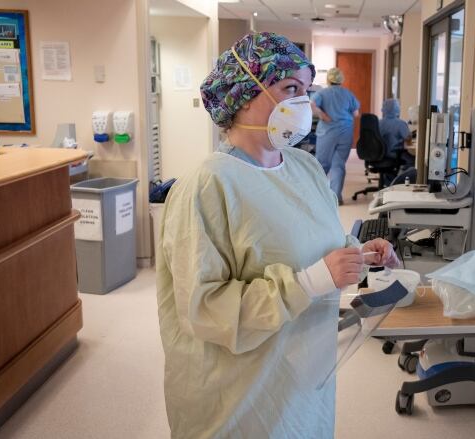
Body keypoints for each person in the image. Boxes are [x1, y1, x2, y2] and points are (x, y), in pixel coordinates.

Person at [156, 32, 400, 439]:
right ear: (242, 95)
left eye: (306, 90)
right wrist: (311, 281)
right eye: (290, 89)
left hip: (303, 377)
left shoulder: (303, 167)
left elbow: (316, 244)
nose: (303, 103)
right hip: (238, 396)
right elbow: (205, 310)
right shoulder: (206, 187)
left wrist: (359, 254)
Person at [311, 67, 360, 204]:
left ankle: (318, 196)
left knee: (322, 164)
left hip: (328, 132)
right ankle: (336, 197)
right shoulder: (348, 94)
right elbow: (356, 113)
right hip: (345, 131)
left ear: (328, 79)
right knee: (338, 165)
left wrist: (323, 115)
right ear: (341, 80)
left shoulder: (323, 93)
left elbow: (312, 105)